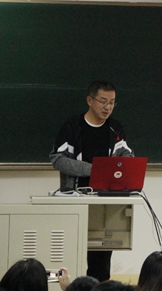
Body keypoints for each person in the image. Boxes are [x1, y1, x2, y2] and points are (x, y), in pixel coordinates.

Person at [49, 80, 133, 282]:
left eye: (112, 102)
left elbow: (127, 158)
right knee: (70, 257)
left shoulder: (115, 128)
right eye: (103, 101)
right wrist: (96, 170)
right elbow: (57, 159)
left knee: (100, 264)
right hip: (75, 200)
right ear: (89, 100)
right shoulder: (73, 126)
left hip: (105, 203)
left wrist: (117, 169)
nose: (108, 107)